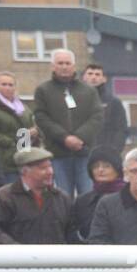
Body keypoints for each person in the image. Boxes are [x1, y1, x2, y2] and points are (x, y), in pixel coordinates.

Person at [32, 48, 103, 198]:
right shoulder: (43, 90)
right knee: (62, 197)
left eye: (67, 63)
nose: (64, 66)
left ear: (74, 66)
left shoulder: (89, 91)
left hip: (85, 153)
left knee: (88, 196)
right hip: (58, 154)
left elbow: (97, 116)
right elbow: (41, 117)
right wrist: (64, 138)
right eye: (60, 63)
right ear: (53, 66)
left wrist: (79, 137)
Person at [0, 148, 73, 243]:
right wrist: (16, 250)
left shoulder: (61, 198)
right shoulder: (3, 198)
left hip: (55, 257)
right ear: (24, 171)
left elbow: (72, 231)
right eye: (43, 168)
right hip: (17, 257)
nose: (50, 172)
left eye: (50, 166)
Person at [0, 72, 38, 185]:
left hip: (25, 157)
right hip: (5, 160)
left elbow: (33, 123)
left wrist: (35, 131)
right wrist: (10, 142)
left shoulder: (23, 106)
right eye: (4, 84)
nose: (8, 87)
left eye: (11, 85)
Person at [70, 148, 126, 241]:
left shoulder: (130, 196)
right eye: (95, 166)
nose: (100, 170)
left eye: (106, 166)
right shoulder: (82, 201)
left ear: (117, 169)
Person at [82, 63, 128, 155]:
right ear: (84, 77)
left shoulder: (114, 102)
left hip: (105, 153)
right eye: (90, 74)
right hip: (80, 154)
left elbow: (121, 129)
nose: (93, 77)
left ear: (104, 79)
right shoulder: (74, 100)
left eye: (97, 74)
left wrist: (115, 150)